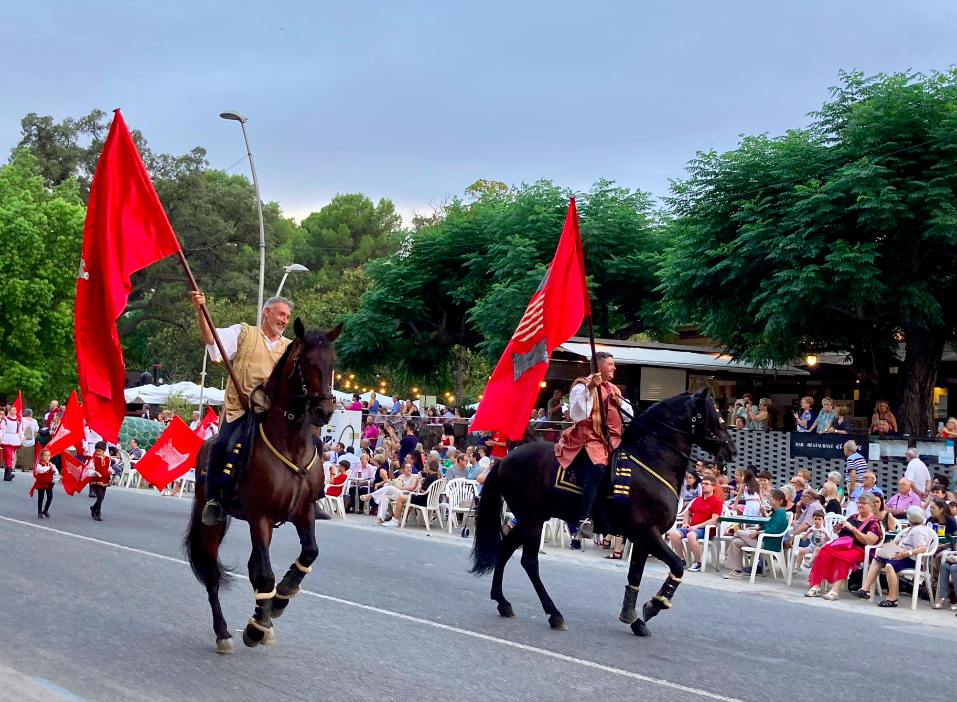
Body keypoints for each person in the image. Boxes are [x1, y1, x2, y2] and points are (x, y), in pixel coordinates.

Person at [191, 291, 293, 525]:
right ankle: (215, 500)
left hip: (273, 415)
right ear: (266, 312)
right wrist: (200, 310)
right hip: (241, 410)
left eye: (287, 317)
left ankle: (308, 499)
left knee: (310, 446)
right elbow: (211, 339)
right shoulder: (244, 333)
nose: (284, 320)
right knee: (221, 444)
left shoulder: (290, 348)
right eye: (281, 314)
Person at [554, 351, 630, 546]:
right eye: (611, 364)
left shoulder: (614, 389)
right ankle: (584, 518)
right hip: (588, 437)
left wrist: (621, 405)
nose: (614, 368)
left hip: (613, 440)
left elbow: (629, 417)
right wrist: (590, 388)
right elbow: (578, 414)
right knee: (597, 468)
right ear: (599, 366)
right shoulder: (581, 385)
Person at [855, 505, 936, 607]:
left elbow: (922, 548)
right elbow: (896, 542)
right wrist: (880, 546)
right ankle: (865, 589)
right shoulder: (910, 529)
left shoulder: (918, 531)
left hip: (911, 559)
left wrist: (905, 554)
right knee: (877, 560)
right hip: (900, 554)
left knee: (890, 565)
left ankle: (892, 598)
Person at [806, 492, 882, 600]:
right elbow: (844, 534)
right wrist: (838, 531)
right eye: (858, 503)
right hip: (844, 546)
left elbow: (868, 541)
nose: (859, 505)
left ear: (871, 506)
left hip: (860, 549)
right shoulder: (853, 517)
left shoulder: (874, 523)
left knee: (843, 558)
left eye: (863, 503)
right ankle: (817, 585)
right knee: (824, 551)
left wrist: (852, 529)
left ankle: (835, 590)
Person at [723, 489, 788, 578]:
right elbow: (767, 526)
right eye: (769, 497)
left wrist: (757, 532)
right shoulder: (775, 512)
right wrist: (754, 529)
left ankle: (728, 556)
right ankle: (736, 571)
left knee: (738, 532)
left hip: (767, 542)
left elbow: (773, 529)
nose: (769, 499)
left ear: (780, 501)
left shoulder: (780, 512)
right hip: (763, 539)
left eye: (771, 497)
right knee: (736, 542)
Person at [666, 476, 723, 572]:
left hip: (705, 529)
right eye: (702, 484)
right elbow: (687, 513)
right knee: (673, 534)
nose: (703, 486)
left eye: (706, 484)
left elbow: (714, 520)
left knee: (691, 535)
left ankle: (697, 562)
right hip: (692, 527)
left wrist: (696, 526)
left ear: (713, 487)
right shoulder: (697, 500)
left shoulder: (717, 502)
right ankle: (681, 559)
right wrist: (686, 523)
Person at [85, 441, 112, 521]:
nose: (97, 452)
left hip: (104, 479)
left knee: (102, 497)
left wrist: (110, 471)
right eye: (96, 450)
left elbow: (107, 468)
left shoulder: (108, 459)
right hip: (96, 480)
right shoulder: (93, 460)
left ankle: (94, 508)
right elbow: (88, 470)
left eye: (99, 451)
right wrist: (94, 472)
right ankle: (97, 513)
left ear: (103, 451)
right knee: (99, 496)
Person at [30, 448, 58, 518]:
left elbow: (56, 472)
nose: (47, 457)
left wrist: (54, 471)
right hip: (41, 483)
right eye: (45, 455)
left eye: (48, 455)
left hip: (48, 483)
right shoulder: (39, 464)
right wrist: (49, 467)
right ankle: (39, 511)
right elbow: (41, 470)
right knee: (41, 497)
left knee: (50, 497)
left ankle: (46, 510)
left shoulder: (51, 464)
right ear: (41, 457)